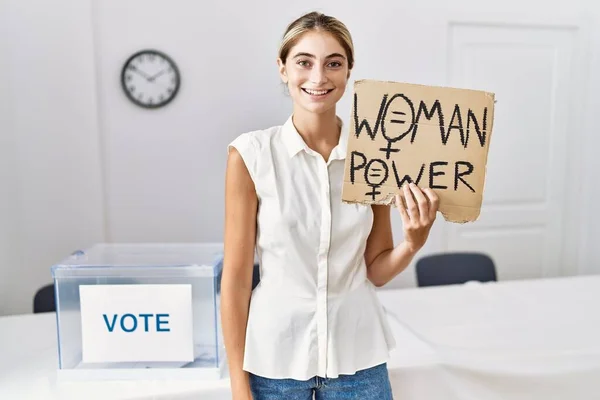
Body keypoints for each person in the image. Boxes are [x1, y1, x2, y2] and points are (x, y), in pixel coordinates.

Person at [221, 11, 439, 400]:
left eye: (333, 63)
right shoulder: (251, 155)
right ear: (283, 69)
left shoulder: (374, 154)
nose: (318, 78)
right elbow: (236, 281)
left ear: (349, 71)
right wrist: (239, 386)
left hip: (358, 361)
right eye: (304, 62)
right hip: (274, 364)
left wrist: (413, 243)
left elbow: (376, 270)